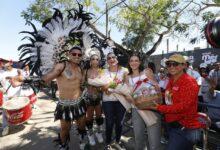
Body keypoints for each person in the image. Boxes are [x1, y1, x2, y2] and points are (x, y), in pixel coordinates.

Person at [149, 54, 203, 150]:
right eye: (169, 64)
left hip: (185, 127)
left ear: (184, 65)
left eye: (175, 64)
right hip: (172, 124)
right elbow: (168, 96)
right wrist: (151, 96)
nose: (171, 67)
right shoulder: (172, 80)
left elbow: (183, 106)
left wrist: (159, 108)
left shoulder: (190, 82)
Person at [41, 46, 87, 150]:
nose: (77, 56)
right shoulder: (62, 65)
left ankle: (82, 139)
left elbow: (81, 85)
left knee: (81, 125)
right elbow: (47, 77)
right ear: (69, 55)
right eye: (74, 54)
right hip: (65, 105)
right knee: (65, 129)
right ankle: (63, 145)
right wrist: (31, 81)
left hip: (79, 102)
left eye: (79, 55)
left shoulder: (81, 69)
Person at [124, 53, 162, 150]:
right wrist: (128, 97)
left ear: (140, 62)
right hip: (136, 109)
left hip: (151, 107)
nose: (134, 63)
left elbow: (156, 87)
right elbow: (127, 94)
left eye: (136, 60)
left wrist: (158, 102)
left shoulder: (146, 72)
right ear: (129, 63)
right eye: (131, 61)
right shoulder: (127, 77)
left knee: (153, 139)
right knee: (139, 137)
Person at [101, 52, 128, 150]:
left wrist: (111, 86)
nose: (111, 59)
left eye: (113, 57)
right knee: (109, 122)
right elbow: (102, 88)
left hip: (121, 100)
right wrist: (109, 86)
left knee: (119, 123)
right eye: (109, 58)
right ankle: (108, 142)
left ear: (116, 58)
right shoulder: (103, 71)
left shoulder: (124, 71)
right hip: (107, 101)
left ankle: (117, 141)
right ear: (107, 61)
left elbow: (127, 85)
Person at [83, 54, 104, 146]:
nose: (95, 60)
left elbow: (105, 84)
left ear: (99, 61)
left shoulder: (102, 71)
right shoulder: (86, 71)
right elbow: (81, 84)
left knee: (99, 116)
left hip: (99, 97)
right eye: (93, 59)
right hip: (89, 97)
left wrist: (100, 85)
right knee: (89, 117)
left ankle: (99, 132)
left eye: (97, 59)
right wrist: (88, 83)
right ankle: (90, 134)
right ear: (90, 61)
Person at [0, 61, 21, 136]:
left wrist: (19, 75)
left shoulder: (17, 70)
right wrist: (1, 89)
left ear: (11, 63)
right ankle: (5, 127)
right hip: (7, 95)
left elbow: (23, 80)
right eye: (4, 63)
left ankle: (25, 119)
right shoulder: (2, 73)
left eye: (7, 62)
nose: (5, 64)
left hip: (18, 93)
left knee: (20, 109)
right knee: (5, 111)